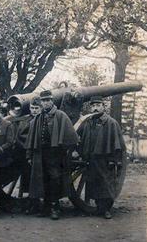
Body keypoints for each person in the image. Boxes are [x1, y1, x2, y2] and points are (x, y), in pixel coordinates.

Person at [25, 90, 79, 220]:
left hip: (55, 153)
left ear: (52, 101)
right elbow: (31, 139)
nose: (46, 103)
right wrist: (29, 155)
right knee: (42, 179)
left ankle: (55, 207)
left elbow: (71, 136)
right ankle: (46, 207)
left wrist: (66, 151)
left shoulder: (61, 115)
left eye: (48, 100)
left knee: (55, 179)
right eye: (43, 101)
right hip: (40, 153)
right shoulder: (38, 118)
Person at [76, 96, 126, 219]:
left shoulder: (111, 123)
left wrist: (115, 160)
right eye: (93, 106)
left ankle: (106, 209)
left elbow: (117, 144)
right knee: (94, 183)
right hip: (91, 159)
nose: (95, 108)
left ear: (103, 107)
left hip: (106, 160)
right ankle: (99, 207)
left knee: (106, 184)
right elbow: (77, 135)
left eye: (98, 105)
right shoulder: (87, 122)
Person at [16, 96, 42, 214]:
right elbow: (20, 136)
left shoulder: (44, 120)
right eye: (32, 108)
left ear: (41, 109)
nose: (34, 110)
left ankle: (38, 202)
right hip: (27, 152)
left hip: (41, 153)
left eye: (37, 108)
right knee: (28, 176)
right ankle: (32, 201)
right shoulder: (26, 120)